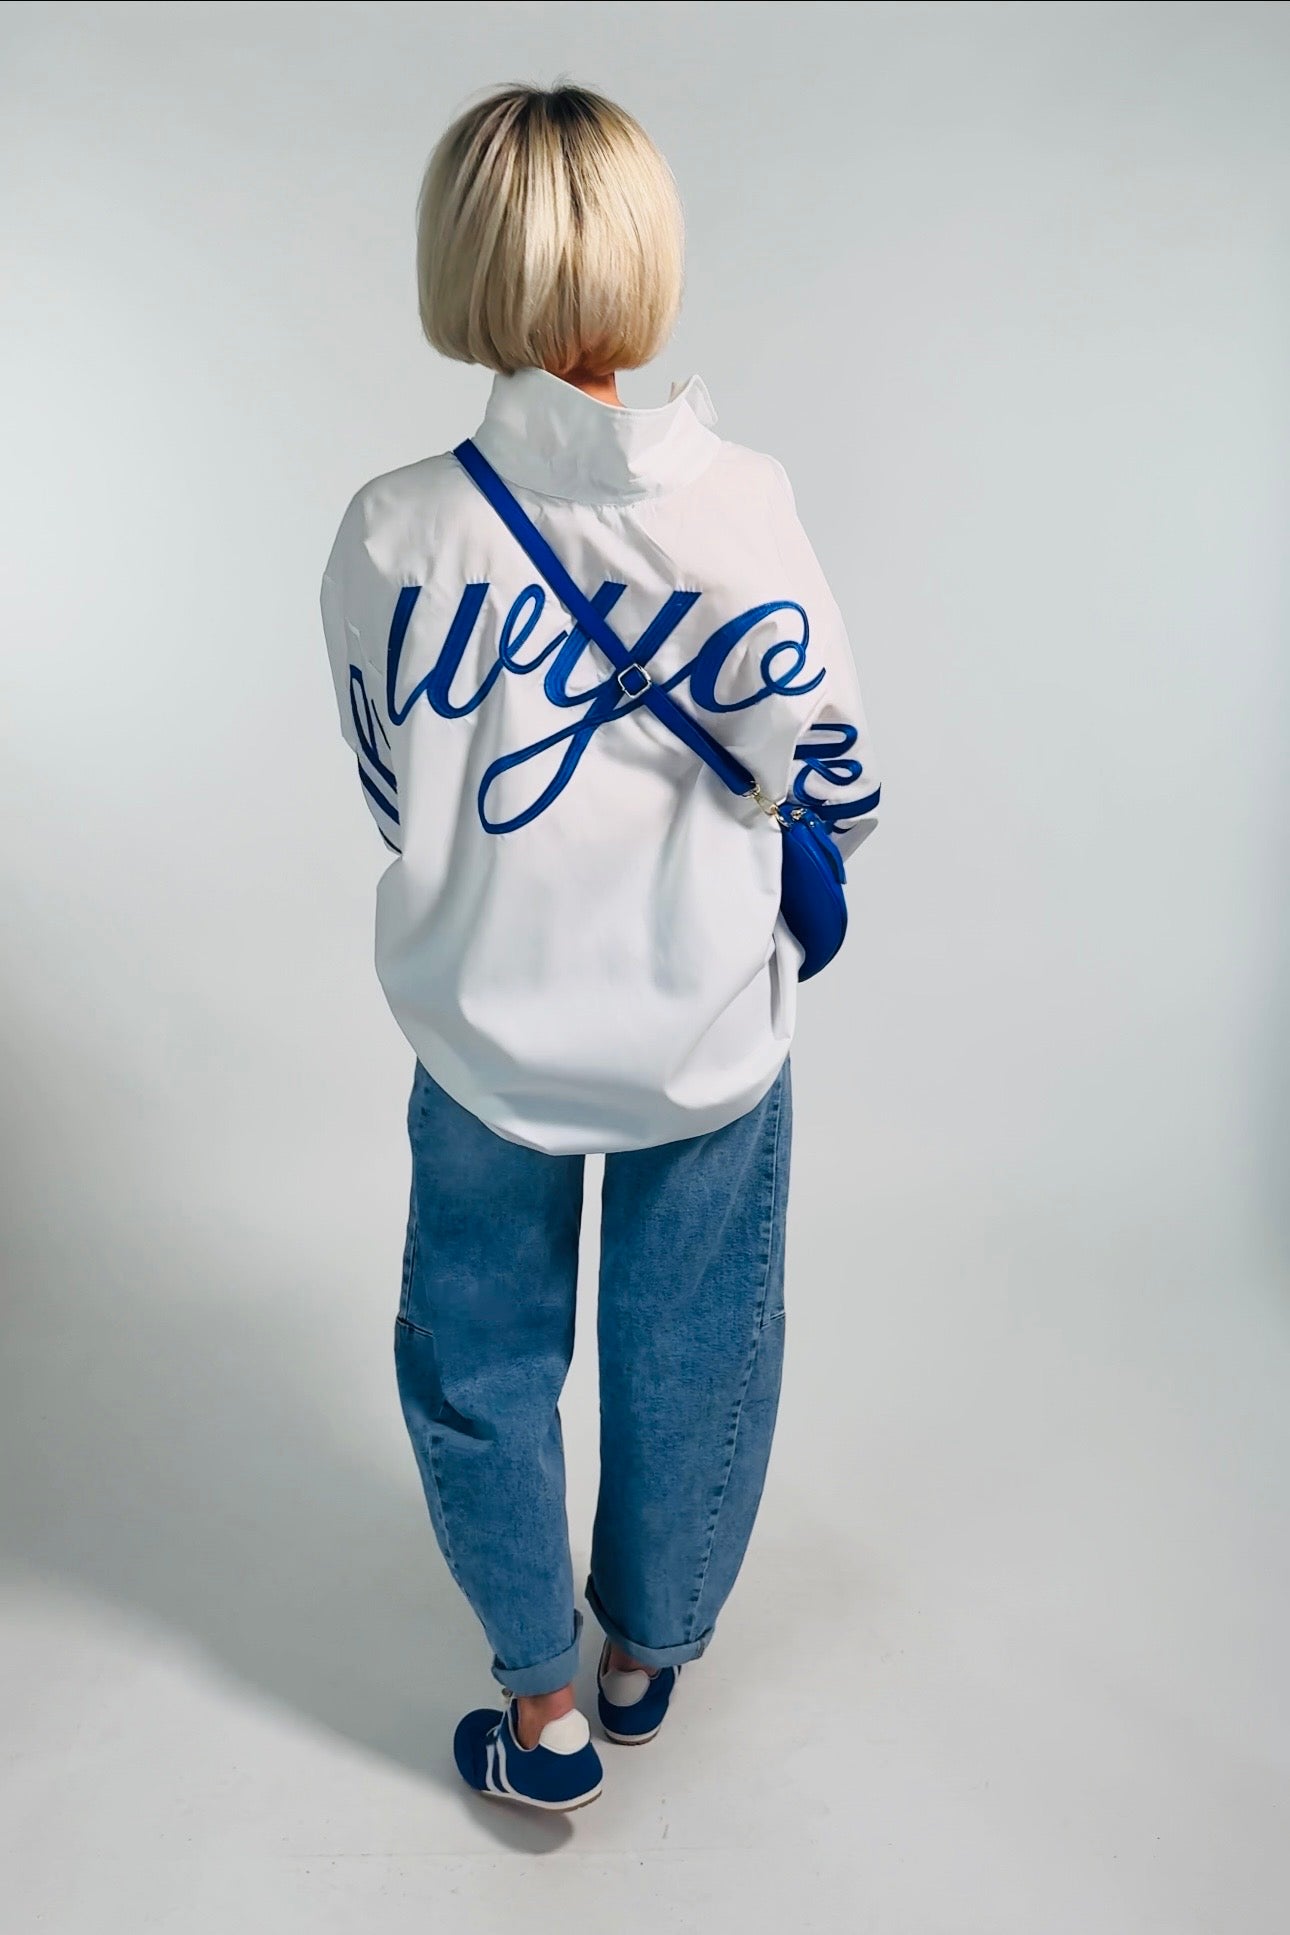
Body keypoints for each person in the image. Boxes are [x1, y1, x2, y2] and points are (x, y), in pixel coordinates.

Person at [319, 81, 881, 1812]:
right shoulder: (745, 505)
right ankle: (647, 1656)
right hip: (703, 1028)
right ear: (645, 255)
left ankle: (541, 1710)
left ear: (456, 260)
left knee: (479, 1359)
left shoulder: (395, 527)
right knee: (691, 1351)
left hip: (482, 1030)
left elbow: (390, 790)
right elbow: (841, 780)